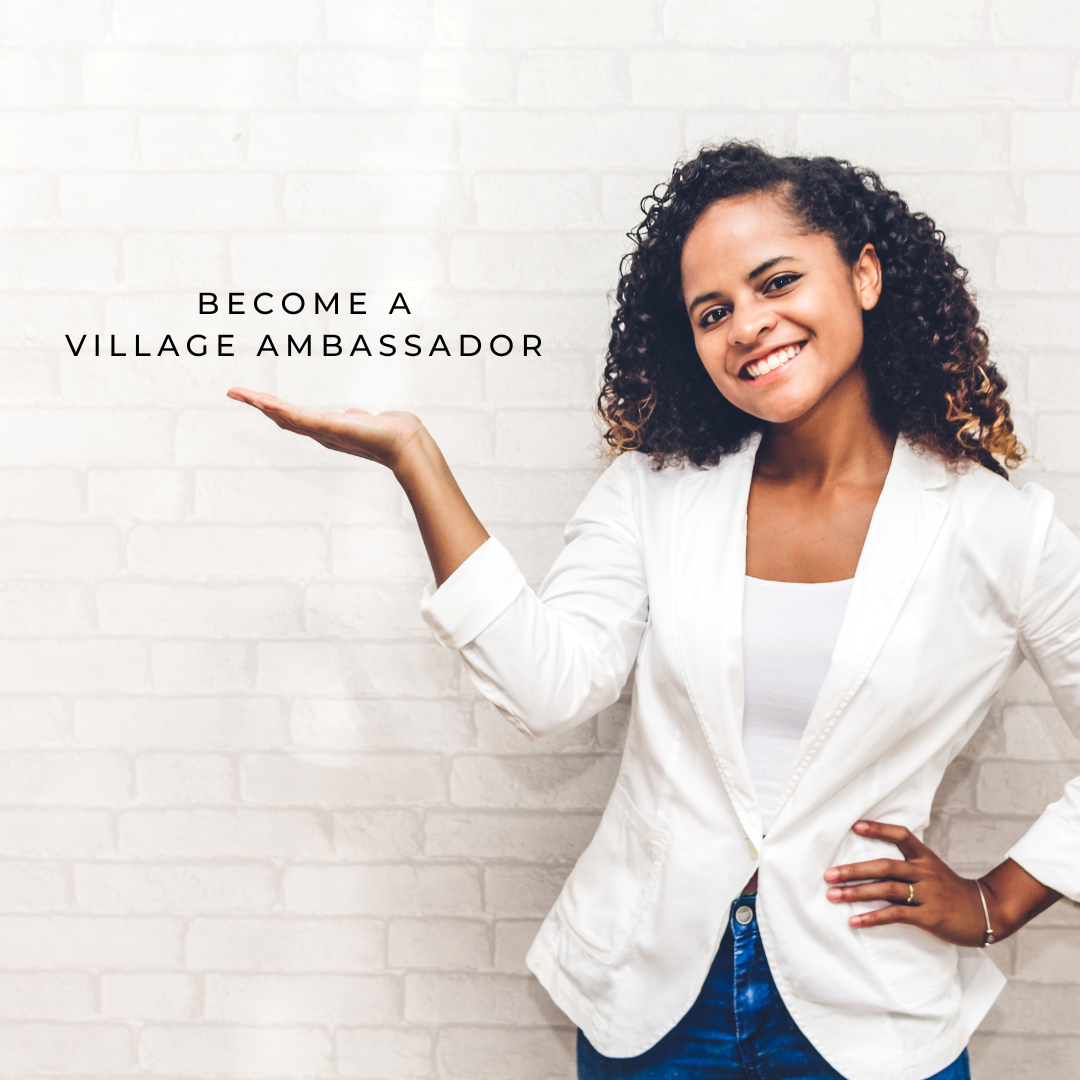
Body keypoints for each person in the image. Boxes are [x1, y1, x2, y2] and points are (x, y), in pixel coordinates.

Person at [227, 141, 1080, 1080]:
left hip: (869, 1015)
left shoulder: (1004, 528)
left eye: (777, 281)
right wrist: (416, 459)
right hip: (654, 1008)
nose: (748, 325)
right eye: (713, 312)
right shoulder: (654, 493)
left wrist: (998, 899)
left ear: (864, 274)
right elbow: (547, 689)